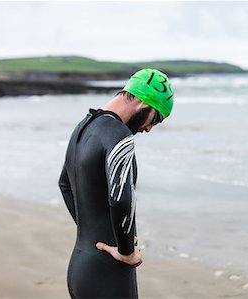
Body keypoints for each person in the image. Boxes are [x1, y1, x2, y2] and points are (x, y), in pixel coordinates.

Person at [58, 69, 174, 299]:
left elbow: (65, 185)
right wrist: (126, 251)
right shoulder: (119, 135)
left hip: (82, 264)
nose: (149, 128)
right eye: (156, 118)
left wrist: (92, 230)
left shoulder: (84, 126)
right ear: (143, 101)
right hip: (109, 272)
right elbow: (120, 197)